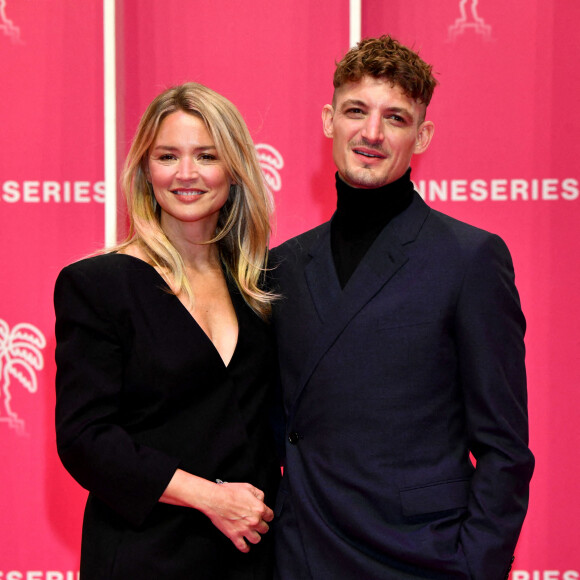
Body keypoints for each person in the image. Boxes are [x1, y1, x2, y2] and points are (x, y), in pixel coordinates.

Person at [270, 35, 534, 580]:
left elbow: (504, 447)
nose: (371, 133)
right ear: (328, 120)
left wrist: (477, 566)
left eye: (395, 117)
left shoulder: (470, 258)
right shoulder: (282, 267)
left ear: (422, 134)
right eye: (356, 111)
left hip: (421, 556)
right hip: (303, 552)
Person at [54, 82, 280, 579]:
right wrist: (212, 499)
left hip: (251, 559)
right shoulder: (97, 284)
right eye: (167, 156)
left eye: (206, 155)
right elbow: (84, 439)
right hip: (145, 555)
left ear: (235, 170)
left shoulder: (262, 287)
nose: (185, 174)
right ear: (145, 170)